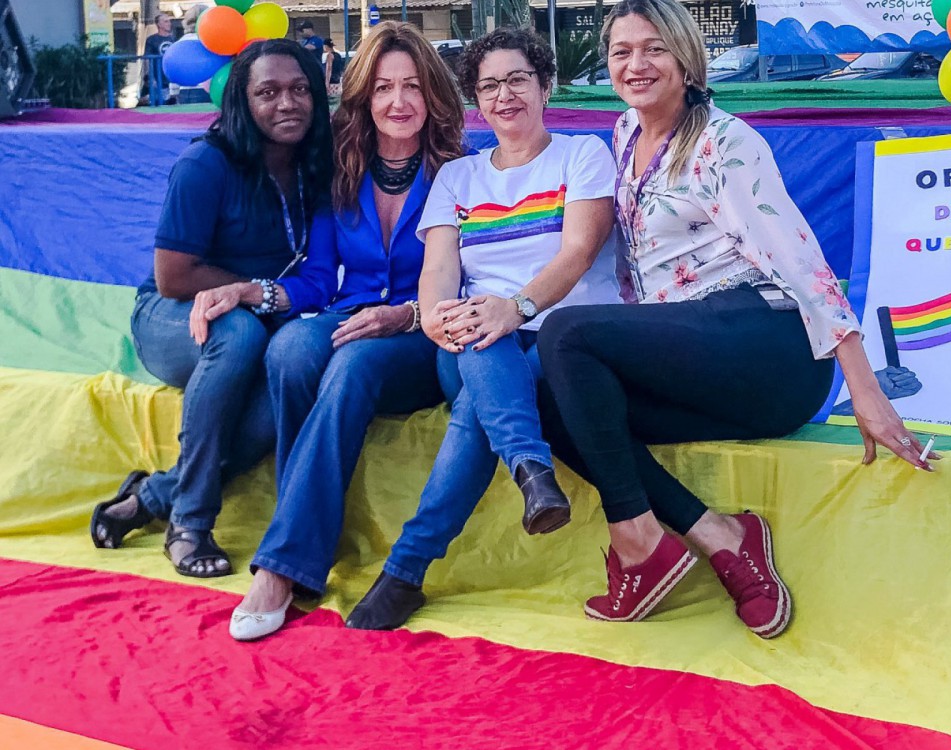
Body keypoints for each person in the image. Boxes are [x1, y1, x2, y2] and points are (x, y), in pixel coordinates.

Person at [536, 0, 938, 640]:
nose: (636, 64)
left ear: (686, 58)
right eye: (621, 52)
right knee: (546, 399)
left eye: (654, 49)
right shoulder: (624, 134)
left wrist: (862, 385)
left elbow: (799, 259)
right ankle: (719, 534)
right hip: (694, 356)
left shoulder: (726, 141)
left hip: (768, 346)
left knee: (566, 332)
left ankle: (636, 546)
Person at [344, 27, 622, 631]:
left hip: (562, 338)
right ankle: (531, 470)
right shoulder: (458, 177)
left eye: (518, 79)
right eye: (489, 85)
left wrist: (514, 308)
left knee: (479, 398)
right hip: (473, 341)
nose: (504, 95)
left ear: (546, 86)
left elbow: (578, 252)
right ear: (475, 98)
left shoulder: (581, 156)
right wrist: (438, 318)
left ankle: (405, 571)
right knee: (477, 340)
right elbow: (438, 273)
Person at [198, 22, 465, 642]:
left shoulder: (461, 170)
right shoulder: (343, 170)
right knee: (291, 347)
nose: (398, 101)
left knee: (352, 364)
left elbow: (471, 275)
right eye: (383, 88)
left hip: (425, 328)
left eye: (413, 86)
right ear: (364, 98)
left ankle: (283, 565)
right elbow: (319, 278)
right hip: (352, 312)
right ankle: (302, 532)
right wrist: (251, 291)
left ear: (432, 94)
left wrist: (407, 315)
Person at [89, 39, 333, 579]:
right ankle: (189, 521)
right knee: (239, 332)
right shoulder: (205, 163)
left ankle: (151, 496)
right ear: (243, 101)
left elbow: (316, 274)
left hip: (261, 311)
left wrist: (258, 295)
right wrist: (248, 293)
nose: (287, 103)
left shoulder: (317, 166)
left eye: (299, 89)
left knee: (285, 381)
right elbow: (173, 276)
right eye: (268, 92)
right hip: (173, 314)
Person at [143, 13, 176, 105]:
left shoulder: (173, 39)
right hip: (158, 79)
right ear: (159, 24)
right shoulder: (151, 40)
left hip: (171, 78)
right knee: (159, 104)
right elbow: (147, 60)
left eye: (169, 21)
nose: (169, 23)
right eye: (166, 21)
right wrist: (151, 77)